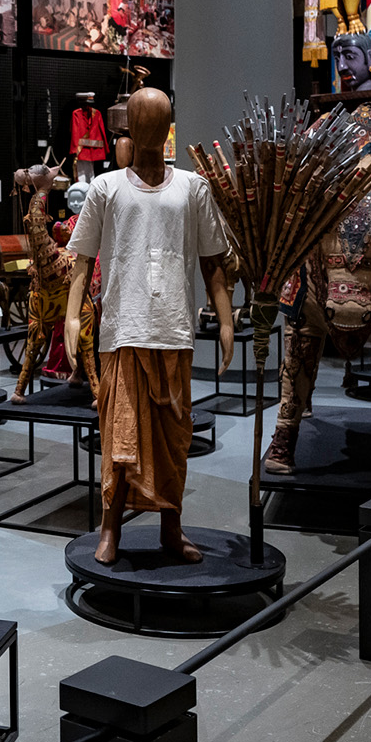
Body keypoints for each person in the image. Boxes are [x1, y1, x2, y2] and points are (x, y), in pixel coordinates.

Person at [65, 86, 233, 564]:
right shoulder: (106, 188)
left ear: (168, 127)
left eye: (160, 121)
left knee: (174, 436)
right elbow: (83, 260)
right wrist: (72, 315)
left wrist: (225, 319)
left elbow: (212, 261)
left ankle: (171, 528)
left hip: (173, 328)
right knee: (121, 437)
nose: (152, 130)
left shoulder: (192, 188)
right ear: (131, 129)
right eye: (144, 121)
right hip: (124, 328)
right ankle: (110, 528)